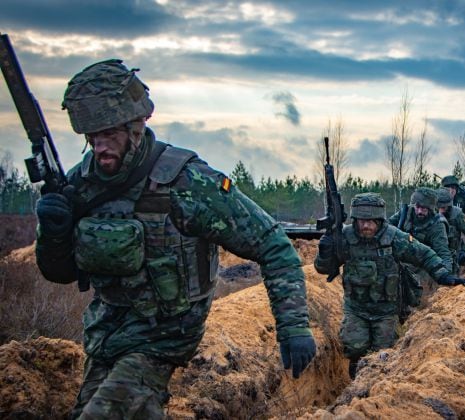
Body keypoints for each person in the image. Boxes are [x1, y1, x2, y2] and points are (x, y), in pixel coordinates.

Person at [34, 59, 316, 419]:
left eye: (111, 134)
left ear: (137, 126)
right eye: (93, 136)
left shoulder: (187, 184)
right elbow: (59, 273)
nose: (100, 146)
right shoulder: (81, 184)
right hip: (106, 335)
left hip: (165, 333)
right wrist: (54, 234)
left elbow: (272, 245)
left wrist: (293, 327)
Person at [314, 192, 465, 379]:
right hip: (356, 308)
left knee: (384, 355)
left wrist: (444, 275)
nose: (365, 225)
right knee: (354, 347)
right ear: (355, 219)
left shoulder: (394, 237)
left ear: (380, 220)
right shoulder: (345, 237)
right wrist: (325, 251)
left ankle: (376, 388)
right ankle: (355, 381)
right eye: (361, 220)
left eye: (371, 221)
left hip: (387, 311)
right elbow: (323, 269)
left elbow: (424, 254)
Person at [388, 187, 453, 273]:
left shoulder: (437, 225)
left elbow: (443, 252)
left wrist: (446, 274)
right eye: (417, 207)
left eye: (424, 208)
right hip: (403, 257)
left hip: (424, 263)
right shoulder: (406, 212)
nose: (419, 211)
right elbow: (387, 227)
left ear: (431, 209)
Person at [437, 187, 465, 273]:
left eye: (443, 207)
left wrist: (464, 251)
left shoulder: (457, 214)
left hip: (452, 260)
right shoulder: (427, 212)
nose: (440, 210)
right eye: (438, 207)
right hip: (432, 258)